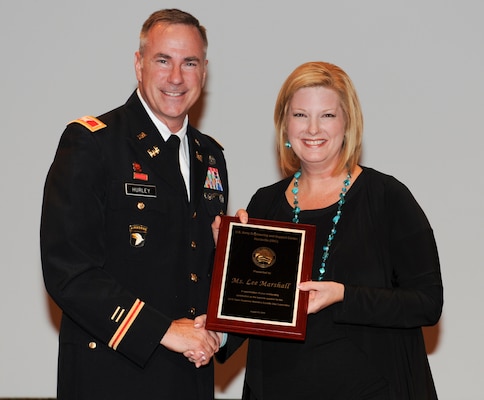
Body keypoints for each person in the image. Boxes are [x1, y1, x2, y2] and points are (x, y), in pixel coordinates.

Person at [214, 61, 443, 399]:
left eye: (328, 115)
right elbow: (251, 308)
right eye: (300, 115)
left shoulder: (387, 197)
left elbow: (426, 303)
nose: (313, 129)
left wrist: (344, 296)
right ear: (284, 124)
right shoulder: (265, 203)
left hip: (371, 390)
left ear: (348, 123)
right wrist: (223, 256)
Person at [40, 8, 228, 400]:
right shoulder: (93, 143)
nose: (176, 77)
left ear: (204, 71)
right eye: (163, 61)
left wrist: (231, 264)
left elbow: (195, 273)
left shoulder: (210, 157)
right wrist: (162, 330)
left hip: (190, 380)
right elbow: (69, 272)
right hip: (112, 377)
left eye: (189, 63)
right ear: (139, 64)